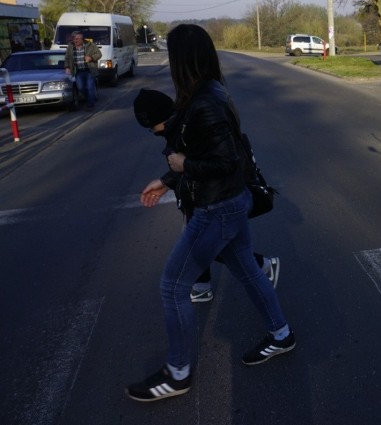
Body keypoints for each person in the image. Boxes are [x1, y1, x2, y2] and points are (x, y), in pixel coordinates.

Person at [127, 24, 295, 403]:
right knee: (248, 271)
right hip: (227, 202)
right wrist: (168, 178)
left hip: (217, 206)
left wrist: (183, 166)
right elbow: (206, 152)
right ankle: (282, 335)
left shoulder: (204, 100)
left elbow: (226, 161)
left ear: (182, 59)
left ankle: (178, 373)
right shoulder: (206, 93)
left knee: (173, 286)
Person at [133, 88, 280, 303]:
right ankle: (207, 283)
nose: (156, 133)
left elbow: (218, 163)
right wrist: (167, 181)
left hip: (218, 198)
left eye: (154, 128)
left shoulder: (194, 123)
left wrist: (181, 166)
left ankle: (261, 270)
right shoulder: (183, 122)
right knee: (216, 243)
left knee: (200, 250)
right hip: (203, 199)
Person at [64, 31, 101, 111]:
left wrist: (91, 58)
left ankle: (90, 105)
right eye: (74, 39)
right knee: (81, 88)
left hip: (90, 70)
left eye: (77, 39)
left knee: (90, 87)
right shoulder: (70, 46)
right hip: (78, 71)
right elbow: (67, 58)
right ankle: (91, 98)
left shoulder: (90, 45)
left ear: (81, 39)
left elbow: (99, 54)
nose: (75, 40)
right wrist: (67, 67)